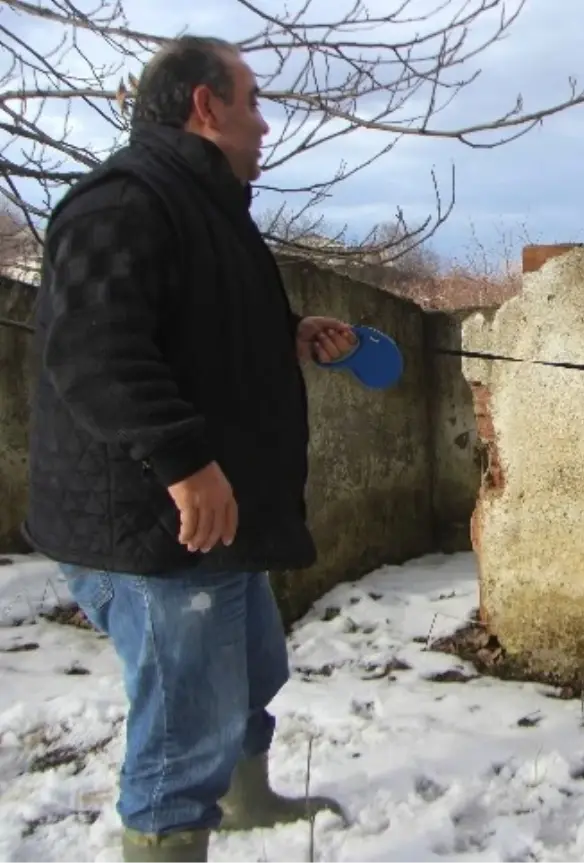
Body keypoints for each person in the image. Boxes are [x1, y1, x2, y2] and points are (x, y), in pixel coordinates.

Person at [23, 35, 357, 861]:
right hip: (153, 525)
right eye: (252, 101)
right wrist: (183, 463)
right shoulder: (122, 202)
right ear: (205, 106)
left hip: (213, 518)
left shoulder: (206, 210)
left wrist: (290, 334)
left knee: (247, 676)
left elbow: (196, 330)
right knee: (184, 730)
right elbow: (94, 352)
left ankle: (246, 801)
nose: (266, 125)